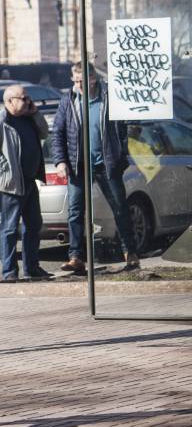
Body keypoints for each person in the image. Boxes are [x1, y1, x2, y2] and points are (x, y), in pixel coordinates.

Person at [53, 61, 139, 273]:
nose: (79, 84)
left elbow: (128, 125)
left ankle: (131, 253)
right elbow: (58, 133)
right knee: (75, 211)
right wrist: (60, 161)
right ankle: (75, 257)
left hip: (106, 163)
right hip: (78, 164)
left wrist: (123, 152)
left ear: (93, 78)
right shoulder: (69, 100)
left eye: (83, 80)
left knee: (120, 207)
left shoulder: (108, 98)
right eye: (76, 80)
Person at [0, 85, 53, 281]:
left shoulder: (29, 117)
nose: (28, 101)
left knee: (33, 225)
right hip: (11, 183)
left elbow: (45, 133)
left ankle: (32, 267)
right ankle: (9, 272)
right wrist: (6, 169)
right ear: (10, 101)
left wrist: (36, 112)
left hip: (29, 181)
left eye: (28, 98)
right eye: (23, 98)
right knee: (10, 228)